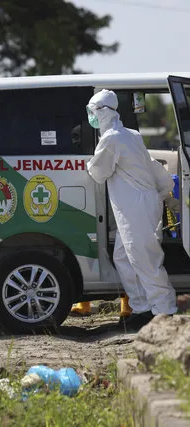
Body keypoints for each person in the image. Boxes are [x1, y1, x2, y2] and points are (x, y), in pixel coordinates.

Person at [86, 89, 177, 330]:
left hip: (136, 207)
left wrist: (87, 163)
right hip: (137, 205)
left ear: (104, 112)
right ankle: (141, 307)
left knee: (145, 259)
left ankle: (164, 311)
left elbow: (98, 172)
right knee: (124, 258)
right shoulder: (131, 134)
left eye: (92, 112)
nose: (91, 117)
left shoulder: (112, 139)